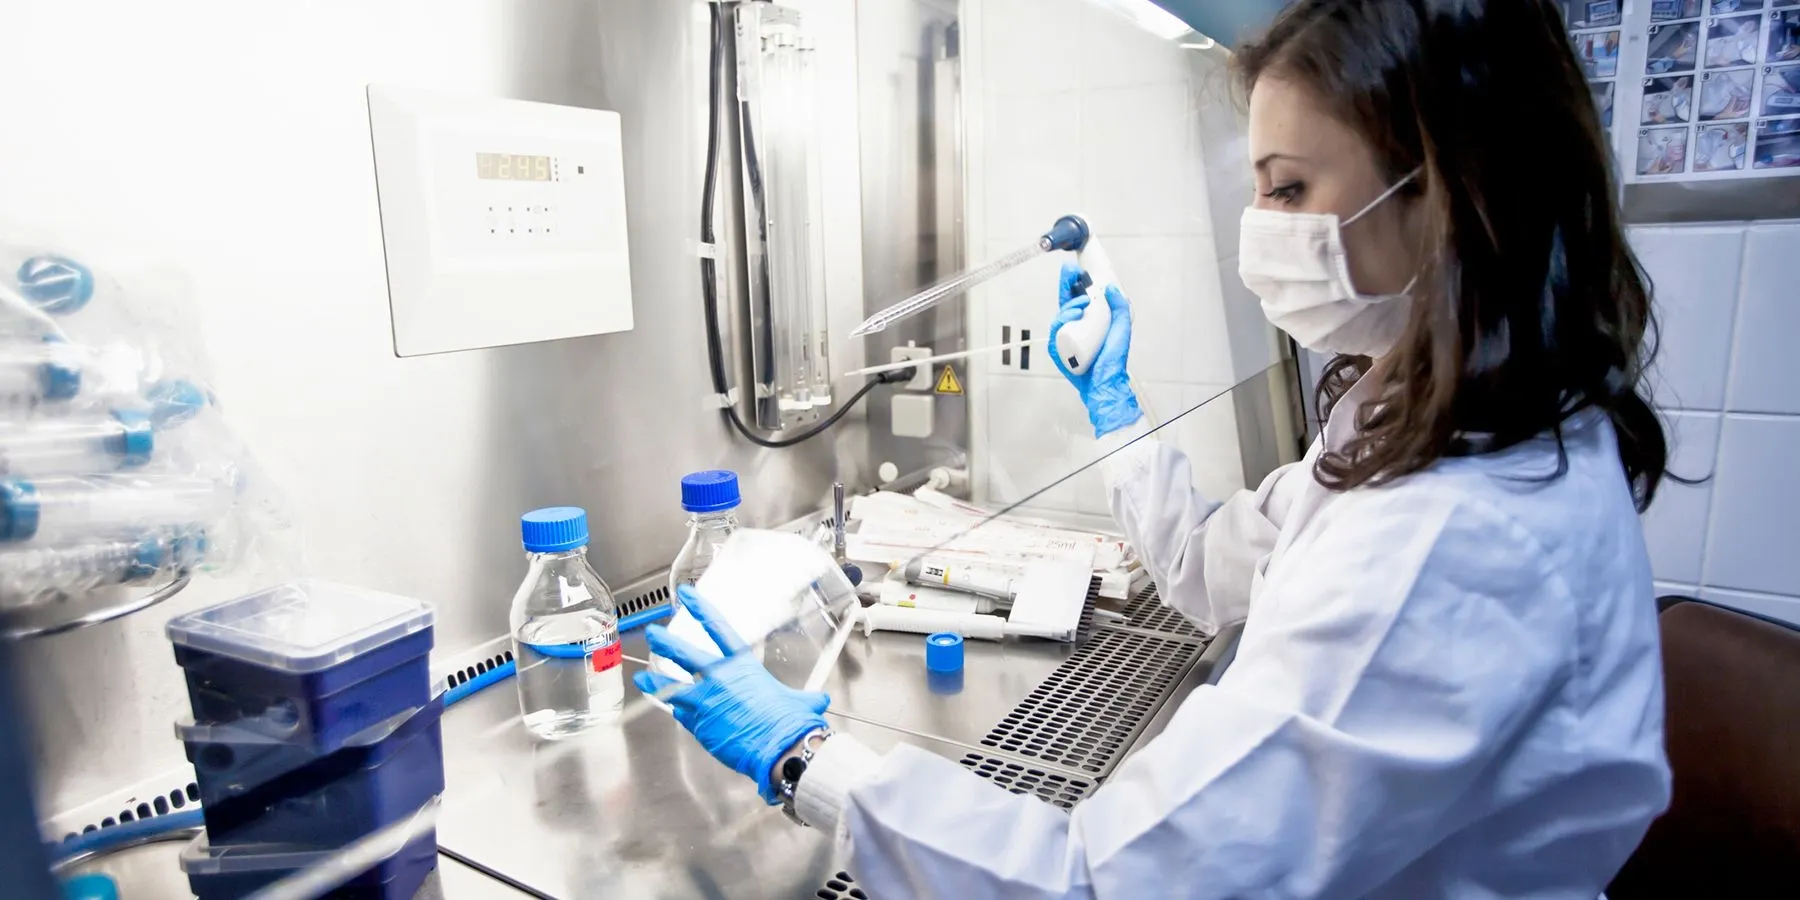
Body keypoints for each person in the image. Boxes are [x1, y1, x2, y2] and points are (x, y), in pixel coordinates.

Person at [635, 0, 1674, 895]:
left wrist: (802, 754)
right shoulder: (1422, 418)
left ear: (1446, 192)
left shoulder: (1456, 541)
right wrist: (1116, 409)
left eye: (1289, 188)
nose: (1259, 227)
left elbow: (1106, 883)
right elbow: (1210, 571)